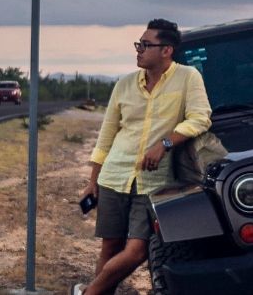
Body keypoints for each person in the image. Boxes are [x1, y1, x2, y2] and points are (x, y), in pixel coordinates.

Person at [75, 19, 212, 295]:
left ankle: (88, 293)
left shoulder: (187, 78)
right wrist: (93, 181)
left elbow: (200, 118)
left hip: (153, 181)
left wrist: (165, 143)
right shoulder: (124, 85)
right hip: (114, 176)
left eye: (145, 45)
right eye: (138, 44)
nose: (138, 50)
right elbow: (107, 136)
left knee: (137, 251)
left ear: (166, 50)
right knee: (110, 246)